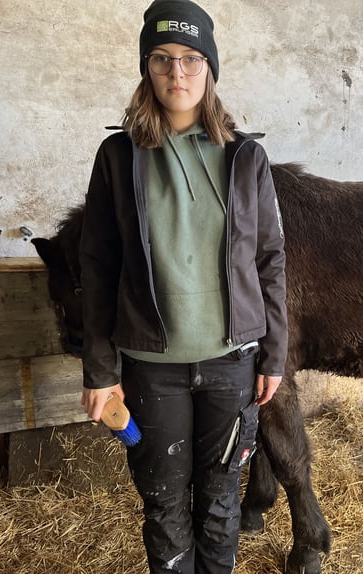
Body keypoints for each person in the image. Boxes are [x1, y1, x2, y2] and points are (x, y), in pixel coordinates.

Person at [78, 1, 288, 572]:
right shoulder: (119, 157)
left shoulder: (246, 158)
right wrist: (100, 370)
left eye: (192, 59)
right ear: (147, 68)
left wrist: (274, 353)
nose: (178, 73)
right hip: (151, 366)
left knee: (221, 503)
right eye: (163, 59)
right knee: (164, 505)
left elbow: (270, 259)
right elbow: (95, 265)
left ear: (210, 69)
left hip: (231, 363)